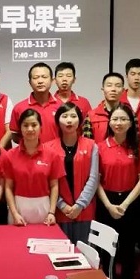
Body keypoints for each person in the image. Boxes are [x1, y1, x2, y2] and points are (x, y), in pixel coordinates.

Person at [96, 104, 140, 279]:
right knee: (105, 247)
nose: (118, 123)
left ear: (131, 123)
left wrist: (125, 204)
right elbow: (96, 181)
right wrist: (109, 205)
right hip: (106, 201)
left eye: (123, 119)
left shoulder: (139, 148)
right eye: (115, 119)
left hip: (130, 201)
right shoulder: (100, 147)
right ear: (109, 122)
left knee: (128, 246)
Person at [45, 102, 98, 244]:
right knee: (60, 251)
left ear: (80, 120)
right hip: (59, 212)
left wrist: (80, 205)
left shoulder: (91, 145)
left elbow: (93, 179)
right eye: (64, 116)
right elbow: (48, 182)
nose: (69, 120)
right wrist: (62, 205)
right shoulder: (48, 148)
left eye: (73, 116)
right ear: (57, 121)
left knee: (84, 252)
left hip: (84, 210)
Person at [3, 109, 64, 226]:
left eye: (34, 125)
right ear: (20, 128)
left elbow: (54, 186)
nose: (30, 129)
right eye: (25, 125)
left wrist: (51, 212)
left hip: (43, 207)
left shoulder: (52, 155)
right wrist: (14, 213)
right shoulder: (10, 155)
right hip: (18, 208)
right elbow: (8, 187)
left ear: (41, 127)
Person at [9, 63, 60, 145]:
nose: (40, 81)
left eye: (44, 77)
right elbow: (15, 135)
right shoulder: (19, 108)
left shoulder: (61, 106)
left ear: (52, 81)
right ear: (30, 82)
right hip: (29, 152)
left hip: (56, 152)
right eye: (36, 77)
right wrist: (30, 145)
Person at [83, 72, 125, 142]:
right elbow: (87, 144)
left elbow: (134, 141)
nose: (113, 89)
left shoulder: (129, 114)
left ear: (123, 90)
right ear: (103, 89)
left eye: (118, 86)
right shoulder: (91, 115)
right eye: (109, 85)